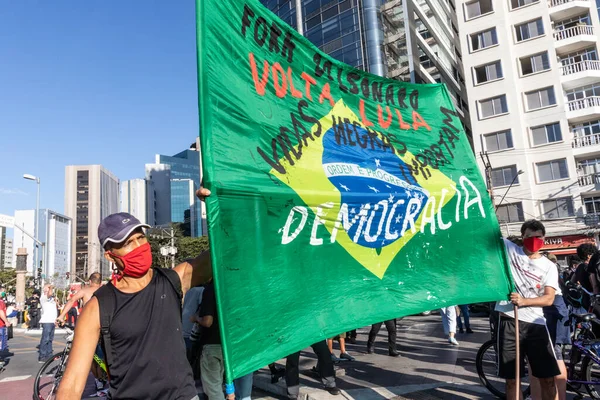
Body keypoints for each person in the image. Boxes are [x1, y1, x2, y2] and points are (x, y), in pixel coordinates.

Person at [56, 208, 213, 400]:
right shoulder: (97, 307)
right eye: (128, 243)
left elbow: (221, 253)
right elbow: (72, 385)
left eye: (141, 237)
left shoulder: (172, 280)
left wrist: (217, 201)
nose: (139, 246)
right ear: (110, 255)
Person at [495, 219, 560, 400]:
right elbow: (490, 229)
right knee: (512, 381)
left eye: (537, 236)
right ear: (522, 237)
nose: (533, 240)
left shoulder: (549, 266)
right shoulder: (510, 251)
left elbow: (549, 299)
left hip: (536, 325)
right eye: (529, 237)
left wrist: (524, 301)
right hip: (509, 321)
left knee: (547, 379)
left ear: (544, 238)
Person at [56, 272, 106, 391]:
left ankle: (99, 379)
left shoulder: (85, 291)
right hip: (104, 326)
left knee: (90, 356)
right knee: (100, 355)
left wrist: (61, 316)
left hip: (88, 326)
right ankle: (103, 378)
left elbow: (71, 300)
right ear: (100, 282)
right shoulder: (105, 290)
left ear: (90, 281)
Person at [183, 285, 204, 380]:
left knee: (186, 358)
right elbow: (202, 308)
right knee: (194, 358)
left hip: (184, 327)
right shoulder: (202, 291)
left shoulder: (190, 291)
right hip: (193, 330)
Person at [38, 284, 58, 363]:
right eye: (47, 289)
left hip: (52, 321)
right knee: (45, 339)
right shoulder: (43, 297)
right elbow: (49, 293)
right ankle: (42, 356)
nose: (49, 290)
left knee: (50, 339)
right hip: (46, 321)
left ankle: (49, 355)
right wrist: (50, 286)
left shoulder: (51, 299)